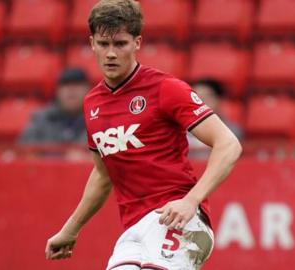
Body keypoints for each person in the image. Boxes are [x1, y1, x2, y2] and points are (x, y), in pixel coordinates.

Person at [45, 1, 242, 269]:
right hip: (133, 232)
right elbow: (104, 175)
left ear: (137, 43)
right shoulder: (92, 103)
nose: (111, 53)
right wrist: (71, 228)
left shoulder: (166, 88)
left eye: (121, 44)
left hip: (180, 221)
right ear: (92, 44)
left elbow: (228, 144)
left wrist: (191, 200)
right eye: (104, 44)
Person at [19, 67, 90, 145]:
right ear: (57, 91)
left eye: (77, 84)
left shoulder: (98, 119)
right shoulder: (41, 119)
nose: (71, 89)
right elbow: (25, 151)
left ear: (88, 89)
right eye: (65, 84)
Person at [187, 79, 243, 152]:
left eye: (205, 97)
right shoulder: (180, 130)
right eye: (196, 98)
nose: (200, 103)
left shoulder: (232, 131)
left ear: (219, 100)